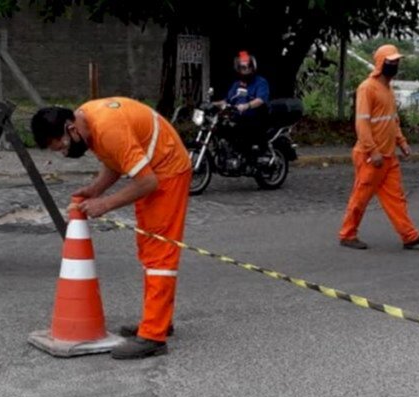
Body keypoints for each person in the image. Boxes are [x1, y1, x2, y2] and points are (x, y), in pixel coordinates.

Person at [31, 98, 192, 360]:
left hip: (167, 173)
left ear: (71, 128)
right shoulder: (90, 123)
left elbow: (147, 182)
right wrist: (96, 189)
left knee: (160, 255)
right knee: (150, 251)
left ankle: (153, 336)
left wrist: (104, 203)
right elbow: (116, 160)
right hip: (156, 171)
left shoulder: (107, 128)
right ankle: (159, 320)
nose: (63, 152)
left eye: (61, 146)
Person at [338, 44, 419, 251]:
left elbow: (392, 121)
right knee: (360, 198)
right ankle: (347, 234)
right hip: (371, 156)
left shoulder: (387, 89)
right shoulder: (367, 88)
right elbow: (361, 124)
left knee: (396, 198)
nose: (396, 65)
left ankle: (409, 236)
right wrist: (373, 150)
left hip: (388, 156)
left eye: (397, 62)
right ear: (381, 63)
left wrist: (402, 143)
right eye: (392, 62)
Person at [216, 51, 270, 160]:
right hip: (238, 117)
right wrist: (214, 104)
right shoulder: (237, 84)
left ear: (252, 67)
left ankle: (252, 156)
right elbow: (228, 100)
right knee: (221, 126)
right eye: (242, 68)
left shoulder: (260, 82)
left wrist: (247, 105)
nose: (244, 70)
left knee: (245, 130)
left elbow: (260, 100)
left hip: (255, 118)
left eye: (247, 67)